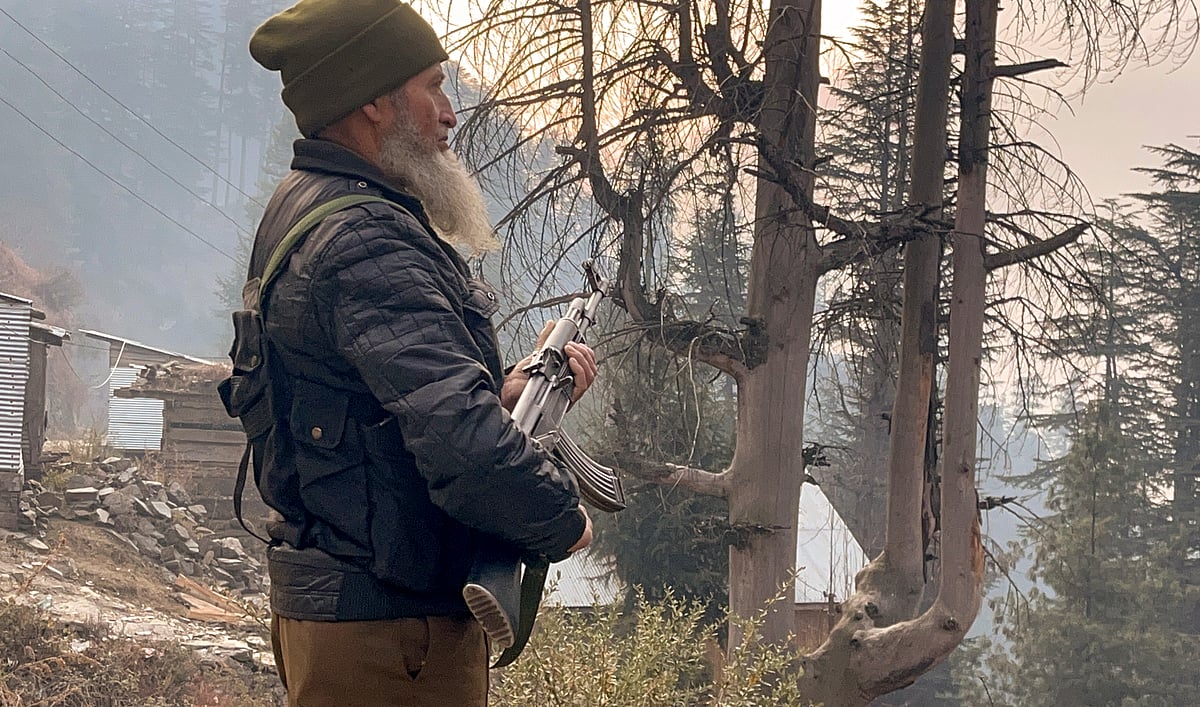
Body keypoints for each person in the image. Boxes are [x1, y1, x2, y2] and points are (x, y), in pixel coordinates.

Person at [241, 1, 595, 704]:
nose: (449, 113)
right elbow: (464, 447)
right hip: (391, 637)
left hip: (347, 614)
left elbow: (375, 401)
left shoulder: (305, 204)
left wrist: (501, 392)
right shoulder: (369, 240)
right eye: (432, 85)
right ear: (372, 100)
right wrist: (564, 519)